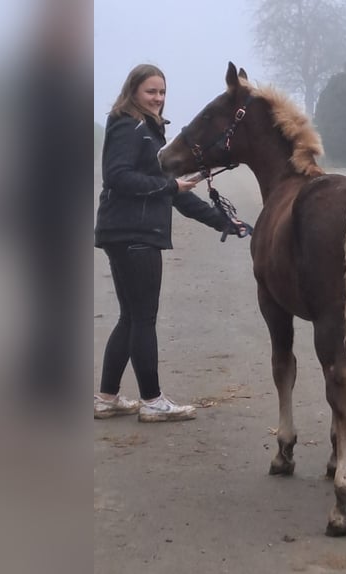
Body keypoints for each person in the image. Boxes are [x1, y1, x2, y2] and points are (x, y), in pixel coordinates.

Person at [94, 64, 250, 422]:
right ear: (133, 91)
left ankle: (107, 397)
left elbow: (177, 197)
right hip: (134, 234)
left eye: (162, 92)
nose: (158, 98)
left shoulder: (149, 132)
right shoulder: (128, 125)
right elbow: (117, 177)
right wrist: (169, 186)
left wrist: (225, 221)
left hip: (128, 233)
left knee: (131, 317)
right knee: (143, 318)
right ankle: (152, 402)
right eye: (151, 91)